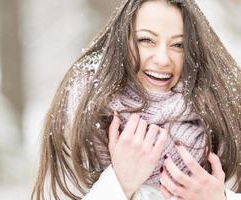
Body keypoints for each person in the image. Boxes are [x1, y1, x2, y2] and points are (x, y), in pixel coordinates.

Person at [32, 0, 241, 199]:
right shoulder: (80, 115)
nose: (162, 59)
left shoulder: (227, 117)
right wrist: (119, 183)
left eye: (178, 45)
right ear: (122, 41)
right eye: (146, 40)